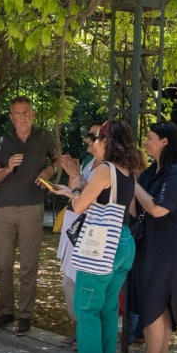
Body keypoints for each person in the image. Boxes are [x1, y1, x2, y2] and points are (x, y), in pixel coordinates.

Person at [62, 120, 139, 353]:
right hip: (123, 242)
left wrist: (74, 187)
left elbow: (79, 206)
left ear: (107, 142)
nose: (92, 141)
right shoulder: (128, 170)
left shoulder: (105, 169)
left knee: (86, 308)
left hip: (100, 246)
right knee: (107, 308)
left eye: (96, 137)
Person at [0, 97, 61, 333]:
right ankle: (6, 312)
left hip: (32, 207)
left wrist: (49, 170)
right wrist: (8, 168)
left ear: (33, 114)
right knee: (3, 263)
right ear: (11, 117)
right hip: (5, 208)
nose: (23, 117)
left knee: (29, 265)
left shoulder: (44, 136)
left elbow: (58, 160)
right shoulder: (4, 141)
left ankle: (25, 315)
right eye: (17, 113)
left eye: (26, 112)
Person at [128, 122, 177, 353]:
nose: (145, 142)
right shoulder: (149, 173)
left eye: (150, 138)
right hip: (148, 243)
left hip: (168, 247)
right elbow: (137, 210)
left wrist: (133, 185)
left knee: (155, 303)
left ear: (165, 141)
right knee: (156, 304)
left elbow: (158, 209)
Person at [54, 121, 105, 321]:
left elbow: (92, 198)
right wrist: (72, 179)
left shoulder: (108, 168)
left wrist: (76, 178)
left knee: (77, 283)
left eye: (93, 136)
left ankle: (84, 328)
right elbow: (77, 192)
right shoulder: (88, 163)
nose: (88, 140)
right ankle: (80, 327)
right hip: (74, 226)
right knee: (68, 281)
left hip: (89, 233)